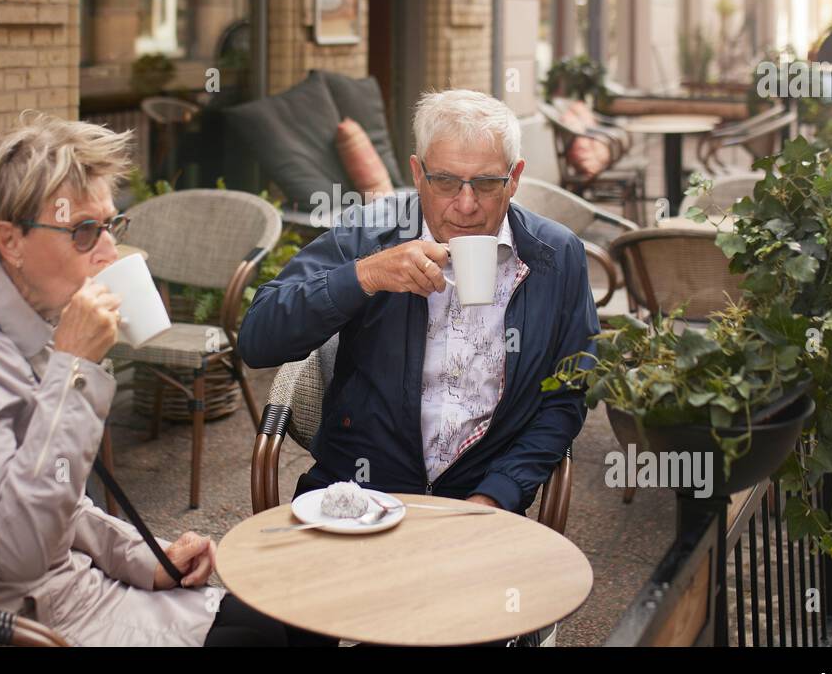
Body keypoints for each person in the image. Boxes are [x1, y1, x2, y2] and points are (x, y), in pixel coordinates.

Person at [0, 111, 298, 646]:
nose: (109, 252)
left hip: (67, 594)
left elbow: (61, 499)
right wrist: (74, 370)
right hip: (3, 623)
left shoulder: (27, 318)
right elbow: (17, 548)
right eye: (84, 231)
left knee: (276, 619)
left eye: (111, 225)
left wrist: (147, 556)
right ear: (11, 241)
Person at [239, 90, 600, 514]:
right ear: (417, 172)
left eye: (486, 183)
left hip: (481, 505)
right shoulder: (367, 234)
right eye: (444, 181)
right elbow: (257, 341)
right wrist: (364, 276)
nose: (465, 206)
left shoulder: (555, 256)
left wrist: (500, 491)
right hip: (359, 497)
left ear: (515, 177)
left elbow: (566, 394)